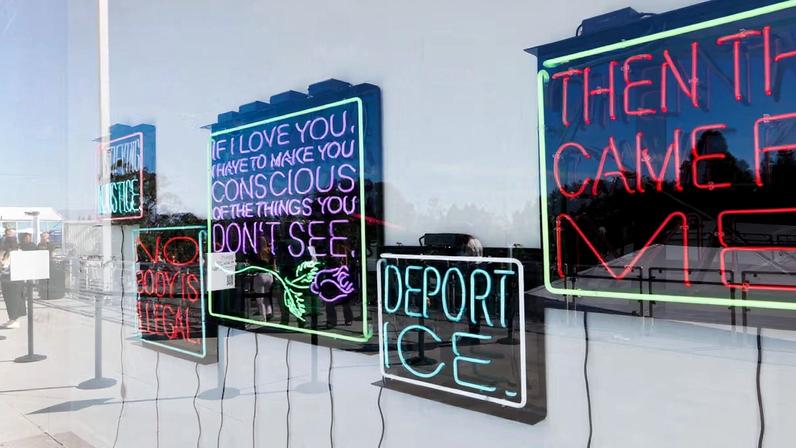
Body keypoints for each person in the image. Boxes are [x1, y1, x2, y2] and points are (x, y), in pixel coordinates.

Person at [0, 236, 25, 328]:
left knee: (14, 301)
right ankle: (11, 319)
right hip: (6, 280)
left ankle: (15, 320)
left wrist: (2, 262)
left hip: (14, 281)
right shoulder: (7, 252)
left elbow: (5, 266)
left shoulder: (17, 253)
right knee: (8, 300)